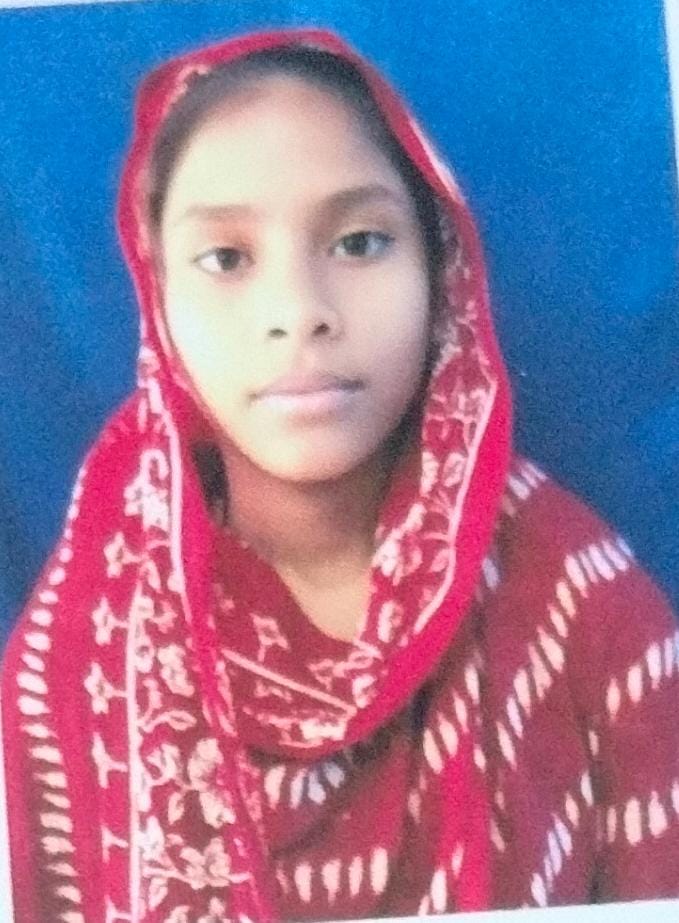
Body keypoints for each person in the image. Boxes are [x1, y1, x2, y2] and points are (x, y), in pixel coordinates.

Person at [1, 26, 678, 923]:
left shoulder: (584, 608)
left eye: (359, 242)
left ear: (439, 268)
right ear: (157, 300)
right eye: (225, 258)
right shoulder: (77, 655)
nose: (297, 312)